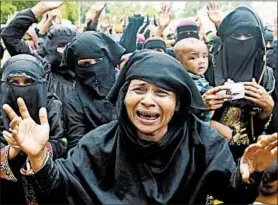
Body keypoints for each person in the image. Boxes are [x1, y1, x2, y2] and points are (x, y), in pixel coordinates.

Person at [3, 50, 277, 204]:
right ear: (124, 97)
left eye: (161, 93)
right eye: (139, 89)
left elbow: (230, 194)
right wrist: (38, 156)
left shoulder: (204, 143)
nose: (148, 100)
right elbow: (63, 190)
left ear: (178, 102)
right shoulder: (98, 143)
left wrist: (247, 176)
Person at [203, 4, 275, 161]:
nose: (242, 40)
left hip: (248, 156)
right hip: (207, 153)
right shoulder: (207, 66)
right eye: (236, 34)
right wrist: (201, 106)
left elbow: (269, 129)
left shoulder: (264, 73)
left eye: (248, 35)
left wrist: (268, 109)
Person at [0, 54, 66, 204]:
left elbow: (62, 142)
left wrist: (37, 150)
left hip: (44, 180)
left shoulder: (51, 105)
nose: (21, 87)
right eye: (14, 82)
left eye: (28, 81)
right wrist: (10, 151)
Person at [1, 1, 78, 102]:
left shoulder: (86, 73)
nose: (66, 51)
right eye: (61, 46)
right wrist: (40, 8)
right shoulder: (41, 69)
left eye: (69, 46)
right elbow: (10, 36)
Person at [61, 31, 125, 151]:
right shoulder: (74, 100)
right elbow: (77, 144)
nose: (93, 68)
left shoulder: (126, 88)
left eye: (98, 60)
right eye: (85, 64)